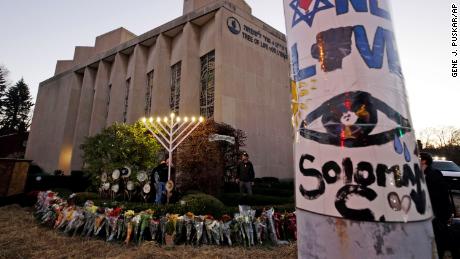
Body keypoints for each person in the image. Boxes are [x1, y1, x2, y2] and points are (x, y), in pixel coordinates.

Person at [420, 152, 459, 259]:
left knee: (440, 239)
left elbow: (440, 195)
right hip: (431, 214)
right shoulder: (421, 175)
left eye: (419, 159)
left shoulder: (434, 174)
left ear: (424, 161)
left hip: (437, 214)